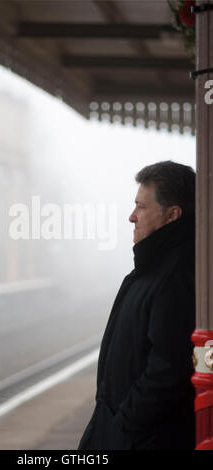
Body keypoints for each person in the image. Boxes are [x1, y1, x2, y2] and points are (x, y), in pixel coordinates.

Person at [78, 160, 196, 450]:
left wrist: (125, 424)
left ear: (172, 215)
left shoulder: (174, 275)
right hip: (122, 429)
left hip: (141, 438)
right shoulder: (152, 268)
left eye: (141, 207)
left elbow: (169, 369)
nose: (132, 217)